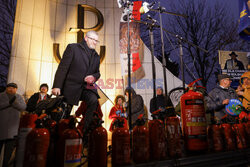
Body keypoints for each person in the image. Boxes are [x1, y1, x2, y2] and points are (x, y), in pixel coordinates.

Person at [52, 30, 100, 135]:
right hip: (71, 87)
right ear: (86, 38)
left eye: (97, 41)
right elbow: (63, 68)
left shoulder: (96, 56)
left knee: (93, 100)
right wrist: (57, 86)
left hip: (86, 87)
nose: (95, 43)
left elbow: (97, 73)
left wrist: (93, 77)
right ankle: (58, 136)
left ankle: (83, 131)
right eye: (93, 39)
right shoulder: (73, 48)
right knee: (63, 114)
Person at [0, 83, 26, 166]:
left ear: (16, 89)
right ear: (6, 88)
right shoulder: (1, 96)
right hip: (1, 127)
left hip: (13, 129)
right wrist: (9, 103)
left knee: (8, 154)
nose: (11, 89)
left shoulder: (19, 97)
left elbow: (23, 107)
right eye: (10, 88)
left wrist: (14, 103)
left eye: (14, 88)